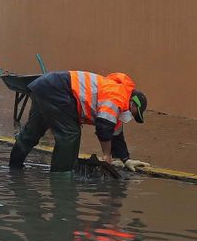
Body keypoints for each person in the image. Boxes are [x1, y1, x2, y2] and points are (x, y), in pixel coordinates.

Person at [8, 70, 146, 173]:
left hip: (44, 87)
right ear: (133, 103)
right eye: (134, 113)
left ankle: (13, 167)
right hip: (57, 89)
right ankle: (60, 179)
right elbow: (103, 127)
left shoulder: (117, 104)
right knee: (70, 134)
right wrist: (107, 155)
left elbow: (116, 134)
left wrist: (126, 160)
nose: (131, 117)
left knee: (33, 131)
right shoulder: (117, 97)